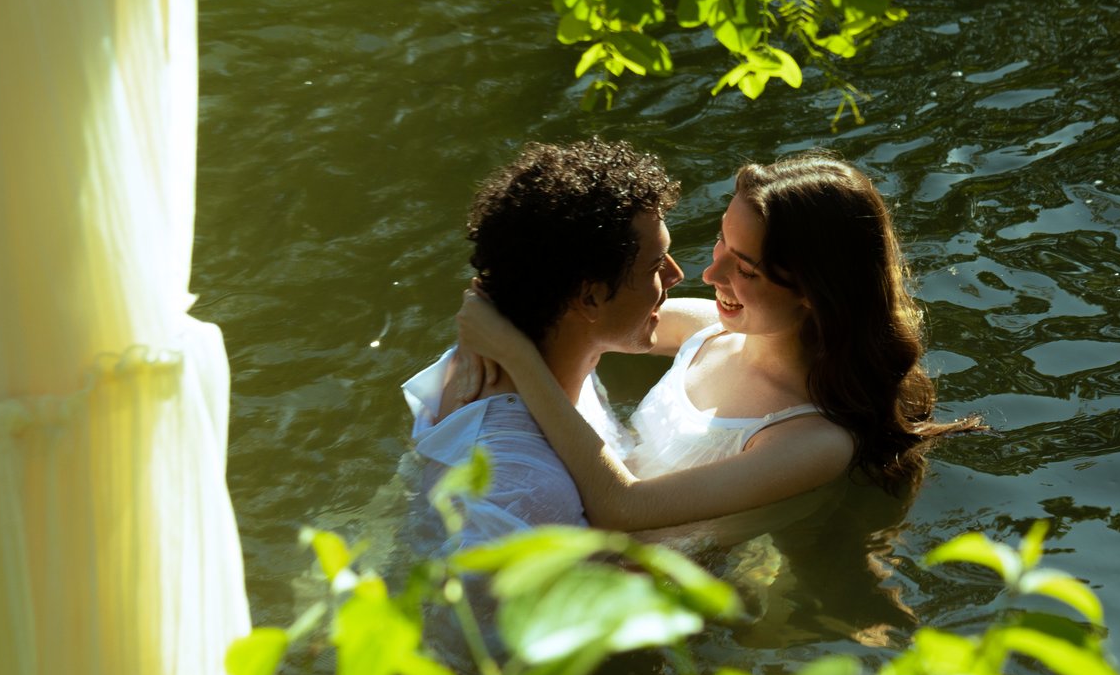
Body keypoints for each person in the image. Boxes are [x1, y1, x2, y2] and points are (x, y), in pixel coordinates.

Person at [454, 151, 979, 533]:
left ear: (815, 295)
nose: (709, 273)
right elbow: (576, 304)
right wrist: (487, 302)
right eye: (720, 240)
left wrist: (517, 357)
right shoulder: (709, 328)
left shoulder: (814, 440)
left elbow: (625, 508)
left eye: (744, 269)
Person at [402, 140, 684, 548]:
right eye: (657, 265)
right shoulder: (524, 494)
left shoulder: (547, 350)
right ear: (588, 298)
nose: (676, 276)